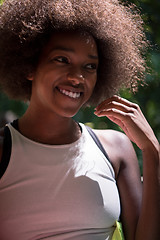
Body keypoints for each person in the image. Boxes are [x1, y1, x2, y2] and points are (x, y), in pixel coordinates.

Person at [0, 0, 159, 239]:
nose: (77, 77)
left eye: (90, 66)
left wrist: (152, 151)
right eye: (62, 59)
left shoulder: (115, 149)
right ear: (29, 66)